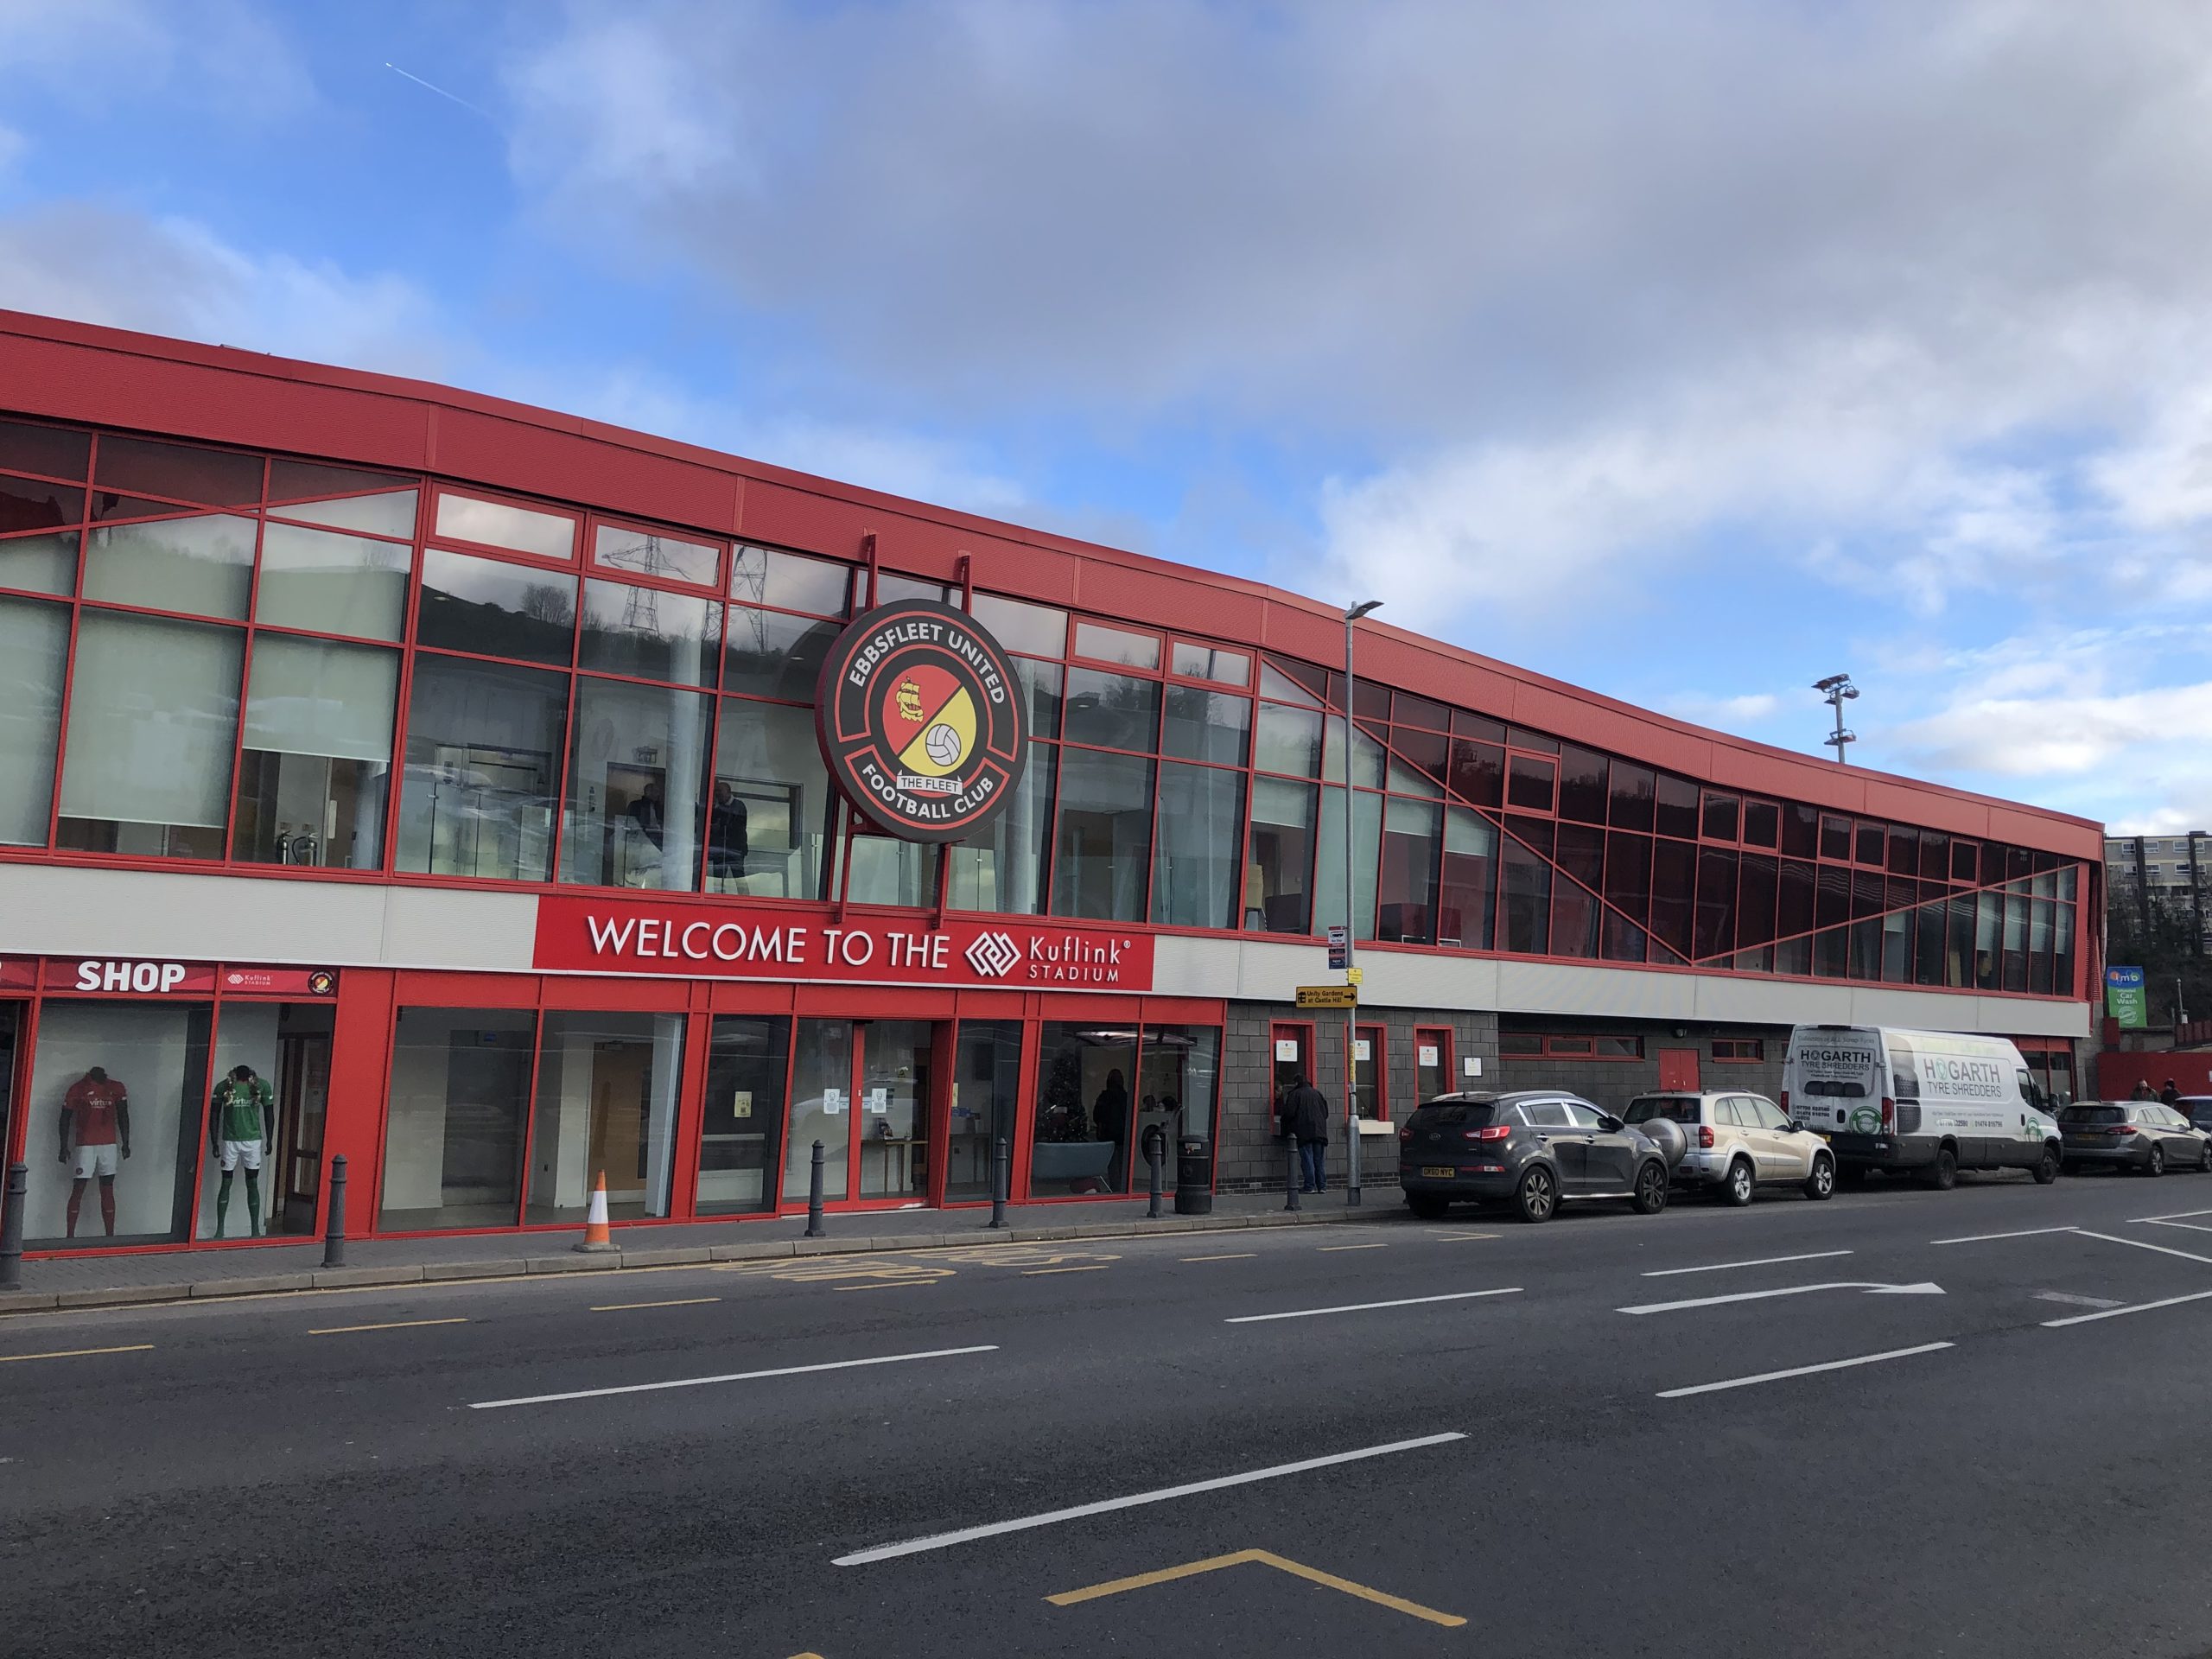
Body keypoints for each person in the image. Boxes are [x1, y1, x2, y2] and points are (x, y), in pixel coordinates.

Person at [60, 1065, 130, 1238]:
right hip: (85, 1145)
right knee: (79, 1187)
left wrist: (126, 1142)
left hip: (109, 1145)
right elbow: (65, 1118)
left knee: (107, 1187)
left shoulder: (116, 1087)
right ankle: (70, 1236)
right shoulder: (78, 1088)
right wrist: (63, 1146)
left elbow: (123, 1115)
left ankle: (110, 1236)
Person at [208, 1064, 276, 1239]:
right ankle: (220, 1230)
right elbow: (214, 1114)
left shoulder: (262, 1085)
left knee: (252, 1183)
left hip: (253, 1141)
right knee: (226, 1183)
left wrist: (270, 1139)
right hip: (230, 1140)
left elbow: (270, 1113)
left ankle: (255, 1230)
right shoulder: (224, 1086)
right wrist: (214, 1141)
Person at [1281, 1071, 1332, 1194]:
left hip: (1304, 1132)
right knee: (1318, 1160)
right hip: (1319, 1131)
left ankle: (1310, 1186)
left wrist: (1285, 1127)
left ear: (1296, 1083)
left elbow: (1289, 1113)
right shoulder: (1317, 1094)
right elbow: (1325, 1113)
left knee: (1307, 1159)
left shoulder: (1295, 1094)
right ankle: (1322, 1186)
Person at [1093, 1070, 1131, 1190]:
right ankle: (1124, 1187)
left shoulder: (1104, 1097)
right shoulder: (1126, 1097)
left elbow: (1096, 1115)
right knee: (1123, 1163)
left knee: (1113, 1165)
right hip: (1123, 1135)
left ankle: (1116, 1188)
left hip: (1108, 1135)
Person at [708, 780, 749, 884]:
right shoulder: (716, 807)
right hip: (720, 849)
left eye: (720, 791)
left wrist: (718, 827)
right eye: (716, 791)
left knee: (739, 878)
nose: (718, 794)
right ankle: (717, 898)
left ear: (728, 792)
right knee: (718, 879)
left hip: (735, 849)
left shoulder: (738, 806)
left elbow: (735, 826)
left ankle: (743, 899)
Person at [626, 779, 666, 850]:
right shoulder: (636, 805)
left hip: (658, 838)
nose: (658, 794)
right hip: (641, 837)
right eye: (656, 791)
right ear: (648, 792)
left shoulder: (660, 807)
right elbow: (631, 822)